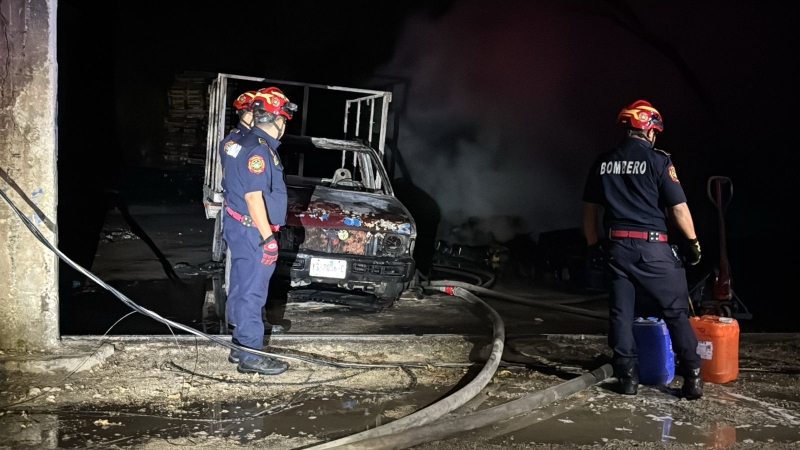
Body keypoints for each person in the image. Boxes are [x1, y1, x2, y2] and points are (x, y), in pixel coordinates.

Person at [582, 99, 703, 399]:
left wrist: (593, 245)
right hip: (653, 248)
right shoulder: (660, 161)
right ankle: (693, 378)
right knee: (676, 312)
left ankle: (627, 379)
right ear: (648, 129)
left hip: (617, 247)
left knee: (621, 314)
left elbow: (588, 213)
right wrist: (692, 243)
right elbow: (678, 210)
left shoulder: (602, 161)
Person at [222, 87, 298, 375]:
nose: (283, 128)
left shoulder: (239, 142)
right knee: (253, 292)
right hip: (254, 231)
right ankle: (251, 355)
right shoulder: (260, 150)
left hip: (240, 226)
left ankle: (240, 345)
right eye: (284, 122)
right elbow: (254, 198)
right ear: (277, 120)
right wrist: (268, 239)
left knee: (241, 288)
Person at [219, 90, 256, 332]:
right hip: (240, 216)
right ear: (248, 112)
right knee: (242, 274)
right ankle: (238, 322)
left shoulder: (248, 139)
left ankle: (246, 320)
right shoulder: (235, 141)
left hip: (242, 215)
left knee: (249, 274)